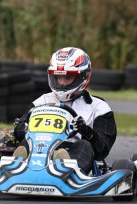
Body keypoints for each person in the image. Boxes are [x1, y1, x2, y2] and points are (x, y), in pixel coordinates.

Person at [13, 47, 117, 175]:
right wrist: (24, 128)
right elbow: (18, 130)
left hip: (74, 151)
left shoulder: (99, 107)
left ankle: (64, 167)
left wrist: (86, 130)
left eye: (67, 77)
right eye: (58, 77)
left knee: (84, 145)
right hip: (40, 149)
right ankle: (18, 164)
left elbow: (103, 149)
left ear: (83, 76)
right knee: (26, 142)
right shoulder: (42, 101)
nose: (62, 83)